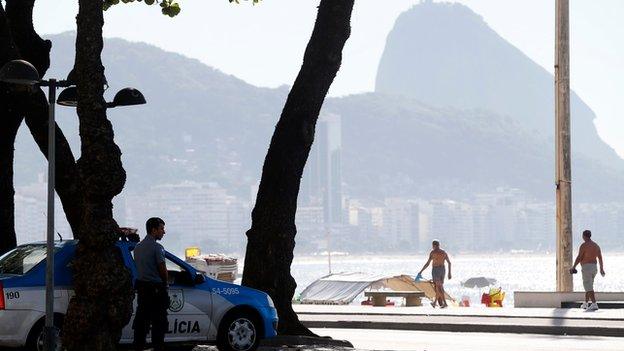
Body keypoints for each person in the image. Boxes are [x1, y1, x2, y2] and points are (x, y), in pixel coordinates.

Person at [133, 217, 170, 351]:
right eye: (161, 229)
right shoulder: (157, 248)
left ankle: (139, 346)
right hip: (156, 291)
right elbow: (163, 270)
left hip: (143, 289)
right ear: (154, 230)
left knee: (142, 322)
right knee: (159, 324)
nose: (163, 232)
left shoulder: (137, 248)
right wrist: (166, 284)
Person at [570, 229, 605, 311]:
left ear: (584, 236)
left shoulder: (584, 245)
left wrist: (574, 266)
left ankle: (594, 303)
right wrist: (601, 269)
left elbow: (579, 257)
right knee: (589, 285)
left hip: (587, 267)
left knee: (588, 285)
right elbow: (600, 258)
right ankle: (586, 303)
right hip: (594, 267)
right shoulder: (596, 245)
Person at [417, 240, 452, 308]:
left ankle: (445, 303)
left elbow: (428, 263)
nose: (432, 247)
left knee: (439, 287)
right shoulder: (443, 252)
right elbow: (449, 263)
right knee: (438, 287)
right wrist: (449, 273)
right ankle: (435, 302)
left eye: (432, 246)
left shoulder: (433, 253)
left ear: (434, 245)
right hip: (442, 270)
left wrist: (421, 271)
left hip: (436, 270)